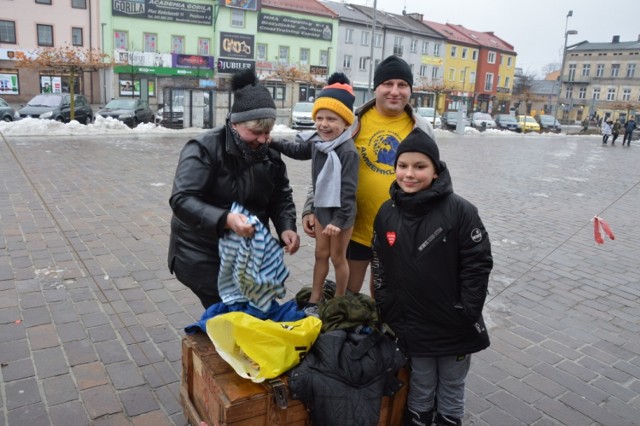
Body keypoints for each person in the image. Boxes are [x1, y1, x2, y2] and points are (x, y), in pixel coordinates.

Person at [371, 128, 493, 426]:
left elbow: (477, 264)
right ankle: (418, 419)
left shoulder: (460, 212)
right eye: (403, 166)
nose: (409, 174)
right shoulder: (386, 212)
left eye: (420, 166)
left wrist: (468, 310)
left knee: (451, 385)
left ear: (436, 171)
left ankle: (449, 420)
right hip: (413, 325)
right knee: (421, 383)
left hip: (455, 324)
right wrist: (387, 304)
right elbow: (380, 264)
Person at [301, 55, 435, 295]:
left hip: (399, 228)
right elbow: (323, 167)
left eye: (402, 85)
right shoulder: (351, 122)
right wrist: (311, 207)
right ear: (376, 87)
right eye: (388, 84)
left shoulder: (422, 128)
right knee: (351, 291)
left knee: (384, 293)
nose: (395, 91)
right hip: (356, 225)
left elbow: (435, 177)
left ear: (410, 90)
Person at [167, 68, 300, 309]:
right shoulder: (204, 147)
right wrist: (226, 219)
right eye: (256, 132)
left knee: (255, 310)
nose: (263, 139)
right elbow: (182, 200)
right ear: (235, 123)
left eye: (268, 132)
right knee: (228, 312)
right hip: (202, 253)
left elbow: (281, 195)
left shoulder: (269, 151)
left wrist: (286, 227)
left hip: (248, 254)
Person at [271, 73, 359, 317]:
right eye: (319, 118)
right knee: (321, 254)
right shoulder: (318, 142)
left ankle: (340, 300)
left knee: (338, 258)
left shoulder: (347, 151)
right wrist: (273, 142)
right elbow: (297, 150)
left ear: (345, 122)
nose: (323, 124)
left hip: (342, 215)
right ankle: (315, 297)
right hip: (321, 209)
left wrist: (338, 222)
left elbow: (349, 193)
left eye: (331, 119)